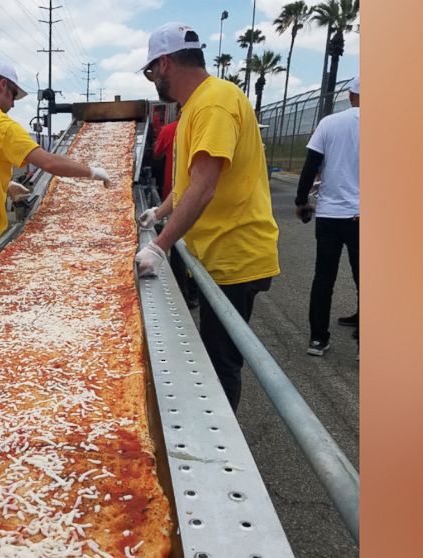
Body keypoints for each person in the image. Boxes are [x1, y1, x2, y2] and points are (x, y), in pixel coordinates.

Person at [135, 23, 280, 410]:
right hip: (212, 252)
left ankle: (220, 451)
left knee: (220, 365)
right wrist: (159, 211)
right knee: (204, 354)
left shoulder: (214, 103)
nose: (153, 81)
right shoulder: (197, 105)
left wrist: (160, 246)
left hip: (234, 258)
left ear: (165, 63)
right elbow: (189, 180)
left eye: (151, 72)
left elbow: (205, 186)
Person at [0, 61, 112, 272]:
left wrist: (7, 184)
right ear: (2, 85)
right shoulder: (2, 125)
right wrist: (92, 171)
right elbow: (48, 161)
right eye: (13, 95)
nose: (13, 104)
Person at [295, 76, 360, 356]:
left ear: (350, 95)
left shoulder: (329, 123)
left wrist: (301, 201)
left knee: (324, 277)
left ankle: (318, 339)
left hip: (330, 214)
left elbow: (310, 166)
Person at [150, 114, 199, 309]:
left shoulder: (170, 129)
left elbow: (156, 153)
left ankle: (182, 292)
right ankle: (193, 294)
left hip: (179, 198)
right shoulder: (195, 125)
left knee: (180, 244)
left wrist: (157, 246)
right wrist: (157, 213)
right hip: (181, 197)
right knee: (191, 248)